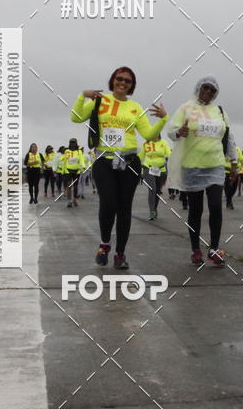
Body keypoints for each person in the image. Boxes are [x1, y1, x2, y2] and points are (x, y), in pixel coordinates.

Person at [71, 67, 168, 268]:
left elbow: (149, 135)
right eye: (119, 79)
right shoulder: (99, 100)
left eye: (128, 81)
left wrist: (163, 119)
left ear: (132, 86)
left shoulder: (135, 107)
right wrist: (82, 96)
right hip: (103, 161)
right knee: (109, 203)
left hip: (129, 162)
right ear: (113, 80)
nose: (123, 83)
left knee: (124, 208)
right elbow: (76, 117)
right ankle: (104, 244)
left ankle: (120, 254)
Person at [167, 76, 237, 266]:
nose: (208, 92)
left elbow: (228, 137)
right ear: (198, 88)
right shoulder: (186, 108)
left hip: (215, 165)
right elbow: (171, 130)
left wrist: (234, 162)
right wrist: (178, 132)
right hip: (192, 166)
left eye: (212, 90)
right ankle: (196, 249)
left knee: (215, 207)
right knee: (195, 210)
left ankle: (214, 249)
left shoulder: (219, 111)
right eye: (205, 88)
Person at [140, 138, 171, 220]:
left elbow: (169, 153)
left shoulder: (164, 142)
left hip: (161, 170)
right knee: (152, 189)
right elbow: (140, 157)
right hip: (148, 169)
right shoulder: (146, 143)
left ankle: (154, 209)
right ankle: (152, 212)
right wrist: (139, 170)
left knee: (157, 191)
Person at [63, 138, 84, 207]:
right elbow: (65, 161)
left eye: (74, 142)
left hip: (76, 170)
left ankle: (75, 199)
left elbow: (81, 160)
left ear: (76, 143)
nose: (72, 144)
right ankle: (69, 201)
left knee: (75, 186)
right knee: (69, 186)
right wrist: (63, 170)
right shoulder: (66, 151)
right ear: (69, 143)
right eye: (71, 142)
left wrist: (82, 168)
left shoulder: (79, 151)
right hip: (68, 170)